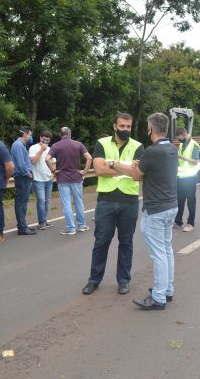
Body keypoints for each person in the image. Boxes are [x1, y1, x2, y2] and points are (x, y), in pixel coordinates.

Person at [112, 112, 178, 310]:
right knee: (166, 250)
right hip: (171, 206)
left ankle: (158, 297)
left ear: (150, 129)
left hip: (156, 209)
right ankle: (167, 290)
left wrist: (113, 164)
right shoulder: (172, 149)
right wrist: (139, 166)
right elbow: (150, 169)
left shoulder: (151, 151)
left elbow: (135, 176)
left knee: (158, 255)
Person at [81, 113, 144, 296]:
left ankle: (123, 281)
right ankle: (94, 280)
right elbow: (99, 170)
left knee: (126, 243)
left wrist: (112, 164)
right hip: (106, 200)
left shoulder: (138, 146)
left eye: (128, 126)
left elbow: (138, 174)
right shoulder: (102, 143)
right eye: (122, 126)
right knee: (101, 242)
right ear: (114, 126)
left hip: (129, 201)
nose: (126, 129)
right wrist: (126, 167)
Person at [45, 127, 92, 235]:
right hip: (76, 176)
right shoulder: (78, 144)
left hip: (62, 177)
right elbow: (89, 158)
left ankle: (71, 228)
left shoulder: (56, 146)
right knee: (78, 202)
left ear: (60, 135)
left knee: (66, 204)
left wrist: (53, 170)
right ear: (70, 134)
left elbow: (47, 159)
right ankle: (82, 225)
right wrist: (84, 172)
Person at [11, 126, 36, 235]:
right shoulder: (17, 145)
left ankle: (23, 225)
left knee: (23, 203)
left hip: (23, 177)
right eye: (30, 135)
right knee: (21, 203)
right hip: (22, 177)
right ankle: (22, 227)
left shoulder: (21, 145)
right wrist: (28, 174)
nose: (30, 137)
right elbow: (21, 164)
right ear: (25, 134)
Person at [174, 127, 200, 232]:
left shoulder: (193, 145)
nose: (178, 140)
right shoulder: (182, 144)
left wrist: (180, 157)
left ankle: (190, 223)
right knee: (179, 200)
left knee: (191, 201)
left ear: (183, 135)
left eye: (179, 137)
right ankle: (178, 221)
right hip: (181, 177)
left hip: (190, 177)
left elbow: (195, 161)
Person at [29, 130, 54, 230]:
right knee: (41, 200)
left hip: (48, 179)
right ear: (40, 138)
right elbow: (33, 161)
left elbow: (53, 161)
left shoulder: (50, 149)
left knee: (47, 201)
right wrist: (41, 150)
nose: (45, 142)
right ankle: (41, 222)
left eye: (47, 141)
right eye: (44, 140)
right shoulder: (33, 148)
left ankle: (44, 220)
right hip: (37, 179)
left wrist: (53, 172)